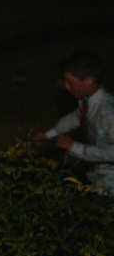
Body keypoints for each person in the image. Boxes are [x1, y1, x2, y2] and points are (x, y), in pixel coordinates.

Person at [34, 50, 114, 194]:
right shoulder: (87, 101)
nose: (65, 86)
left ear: (89, 80)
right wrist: (50, 134)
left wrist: (74, 147)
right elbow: (78, 116)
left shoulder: (108, 111)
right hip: (98, 175)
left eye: (70, 82)